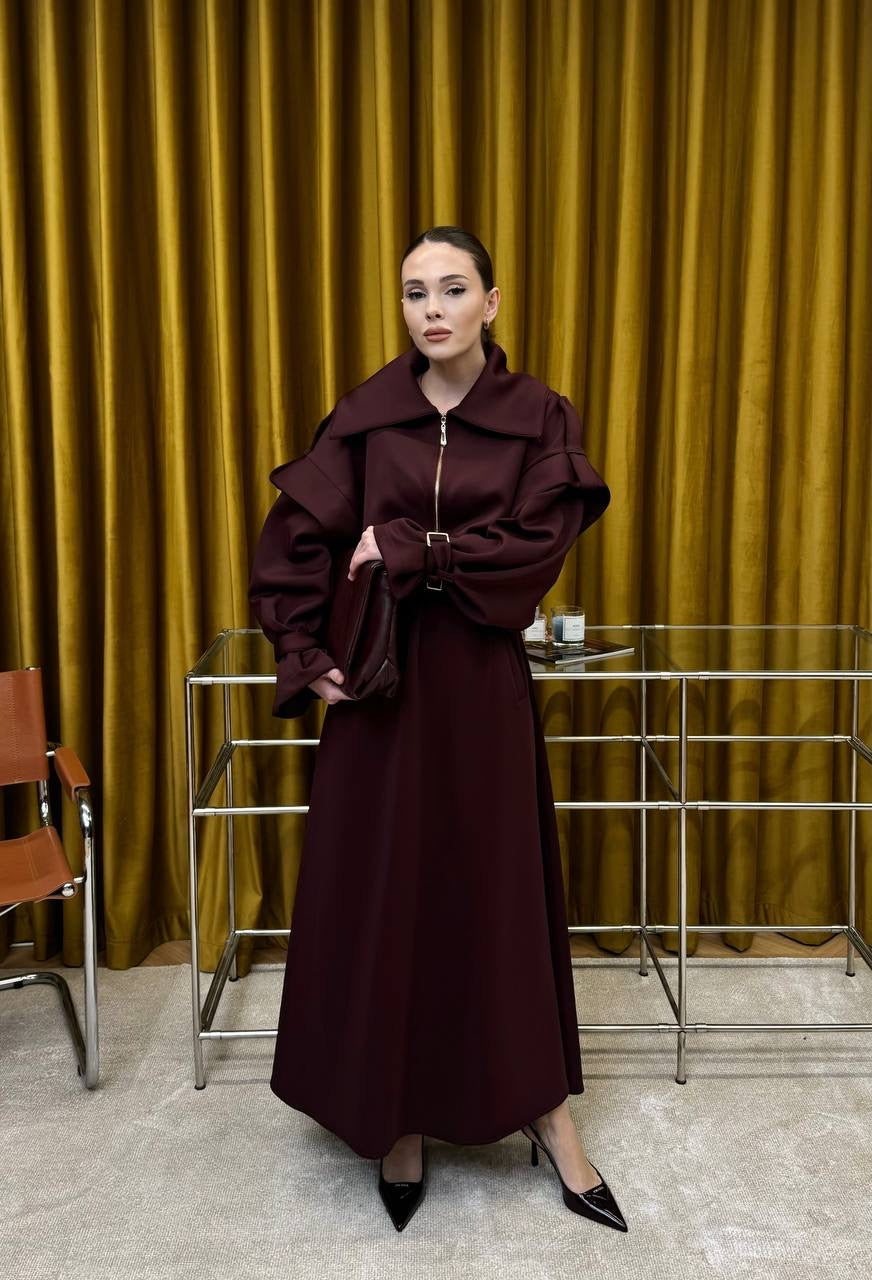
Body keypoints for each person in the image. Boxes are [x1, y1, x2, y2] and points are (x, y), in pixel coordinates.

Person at [248, 225, 626, 1234]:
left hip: (479, 689)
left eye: (452, 289)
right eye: (415, 292)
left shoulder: (538, 415)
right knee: (387, 899)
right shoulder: (365, 417)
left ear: (490, 303)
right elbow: (296, 541)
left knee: (492, 898)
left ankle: (549, 1117)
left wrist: (414, 547)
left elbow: (536, 548)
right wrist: (305, 654)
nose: (432, 310)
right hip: (381, 694)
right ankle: (399, 1118)